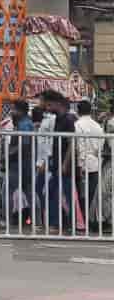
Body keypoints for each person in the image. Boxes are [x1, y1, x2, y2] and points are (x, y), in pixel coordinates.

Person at [45, 91, 76, 232]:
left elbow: (71, 143)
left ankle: (66, 224)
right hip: (57, 163)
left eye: (49, 104)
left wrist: (65, 163)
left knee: (65, 194)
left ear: (58, 104)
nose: (47, 107)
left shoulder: (69, 119)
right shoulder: (58, 118)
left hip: (65, 165)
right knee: (53, 192)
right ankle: (59, 223)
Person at [75, 100, 104, 218]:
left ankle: (82, 219)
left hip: (82, 164)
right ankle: (91, 218)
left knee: (81, 194)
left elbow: (79, 146)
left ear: (78, 110)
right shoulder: (97, 126)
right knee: (92, 194)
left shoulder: (77, 125)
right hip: (96, 163)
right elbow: (101, 145)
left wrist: (80, 164)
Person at [7, 100, 34, 225]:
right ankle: (35, 219)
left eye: (14, 109)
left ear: (21, 111)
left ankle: (7, 219)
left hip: (20, 163)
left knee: (8, 190)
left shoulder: (24, 124)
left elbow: (24, 144)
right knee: (29, 191)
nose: (11, 112)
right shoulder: (23, 123)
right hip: (23, 162)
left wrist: (10, 153)